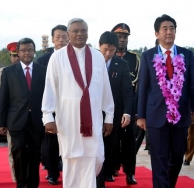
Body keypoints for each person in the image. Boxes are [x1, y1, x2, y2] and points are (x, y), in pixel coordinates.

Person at [41, 18, 114, 188]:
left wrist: (109, 116)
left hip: (93, 119)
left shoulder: (97, 56)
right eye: (75, 31)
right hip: (68, 120)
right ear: (68, 34)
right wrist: (47, 116)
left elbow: (105, 88)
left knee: (94, 159)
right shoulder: (57, 57)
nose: (80, 34)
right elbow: (50, 87)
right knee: (72, 161)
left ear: (88, 33)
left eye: (83, 30)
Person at [137, 14, 194, 188]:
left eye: (172, 28)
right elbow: (142, 87)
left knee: (176, 156)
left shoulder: (187, 54)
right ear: (156, 33)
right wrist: (141, 115)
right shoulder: (147, 56)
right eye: (165, 29)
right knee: (158, 158)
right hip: (155, 115)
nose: (169, 32)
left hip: (181, 115)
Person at [0, 38, 46, 188]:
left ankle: (33, 184)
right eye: (23, 50)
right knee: (18, 154)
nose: (27, 53)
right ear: (18, 52)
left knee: (34, 154)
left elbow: (47, 96)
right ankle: (21, 184)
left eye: (30, 50)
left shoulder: (43, 70)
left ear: (34, 51)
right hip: (16, 120)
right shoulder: (8, 72)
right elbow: (3, 98)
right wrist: (1, 123)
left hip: (37, 120)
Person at [96, 31, 133, 188]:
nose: (108, 53)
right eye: (105, 49)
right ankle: (98, 178)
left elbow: (127, 91)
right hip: (94, 112)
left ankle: (107, 173)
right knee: (96, 145)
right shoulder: (91, 62)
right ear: (99, 46)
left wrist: (126, 112)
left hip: (113, 113)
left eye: (111, 50)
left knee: (110, 145)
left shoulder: (122, 64)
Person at [36, 24, 69, 185]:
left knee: (69, 141)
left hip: (69, 108)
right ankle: (52, 172)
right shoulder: (43, 60)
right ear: (52, 39)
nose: (61, 40)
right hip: (50, 107)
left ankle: (69, 172)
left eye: (64, 36)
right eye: (58, 37)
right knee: (51, 143)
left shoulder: (75, 57)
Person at [111, 23, 138, 181]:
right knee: (112, 139)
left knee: (129, 141)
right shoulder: (108, 57)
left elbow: (138, 84)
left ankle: (130, 172)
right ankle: (112, 167)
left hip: (129, 104)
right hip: (112, 104)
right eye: (119, 37)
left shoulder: (134, 58)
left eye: (124, 37)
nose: (122, 40)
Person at [0, 42, 20, 182]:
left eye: (18, 55)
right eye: (14, 56)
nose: (17, 58)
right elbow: (2, 98)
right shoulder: (3, 72)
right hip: (12, 118)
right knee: (13, 149)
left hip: (30, 117)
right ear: (10, 56)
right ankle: (17, 178)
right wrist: (0, 119)